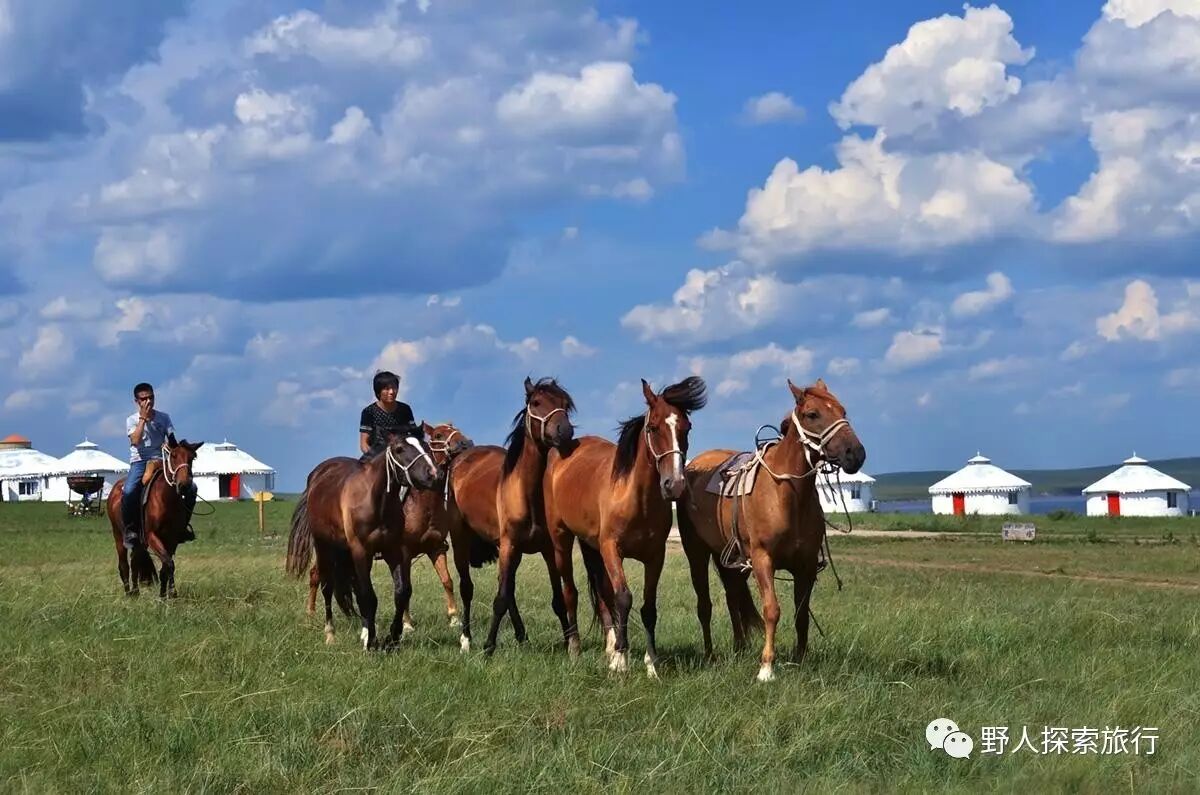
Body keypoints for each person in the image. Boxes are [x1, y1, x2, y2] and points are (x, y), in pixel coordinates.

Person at [122, 382, 197, 549]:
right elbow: (135, 441)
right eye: (144, 399)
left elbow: (172, 441)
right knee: (128, 492)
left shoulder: (164, 417)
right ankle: (130, 530)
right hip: (140, 462)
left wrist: (182, 450)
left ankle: (183, 526)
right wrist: (143, 418)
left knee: (191, 488)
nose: (148, 401)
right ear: (137, 401)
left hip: (162, 460)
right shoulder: (131, 420)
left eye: (151, 397)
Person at [359, 370, 421, 462]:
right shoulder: (368, 412)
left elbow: (414, 435)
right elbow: (364, 444)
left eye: (394, 388)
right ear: (378, 392)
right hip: (378, 458)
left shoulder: (405, 409)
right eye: (387, 389)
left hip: (402, 456)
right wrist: (374, 460)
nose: (392, 392)